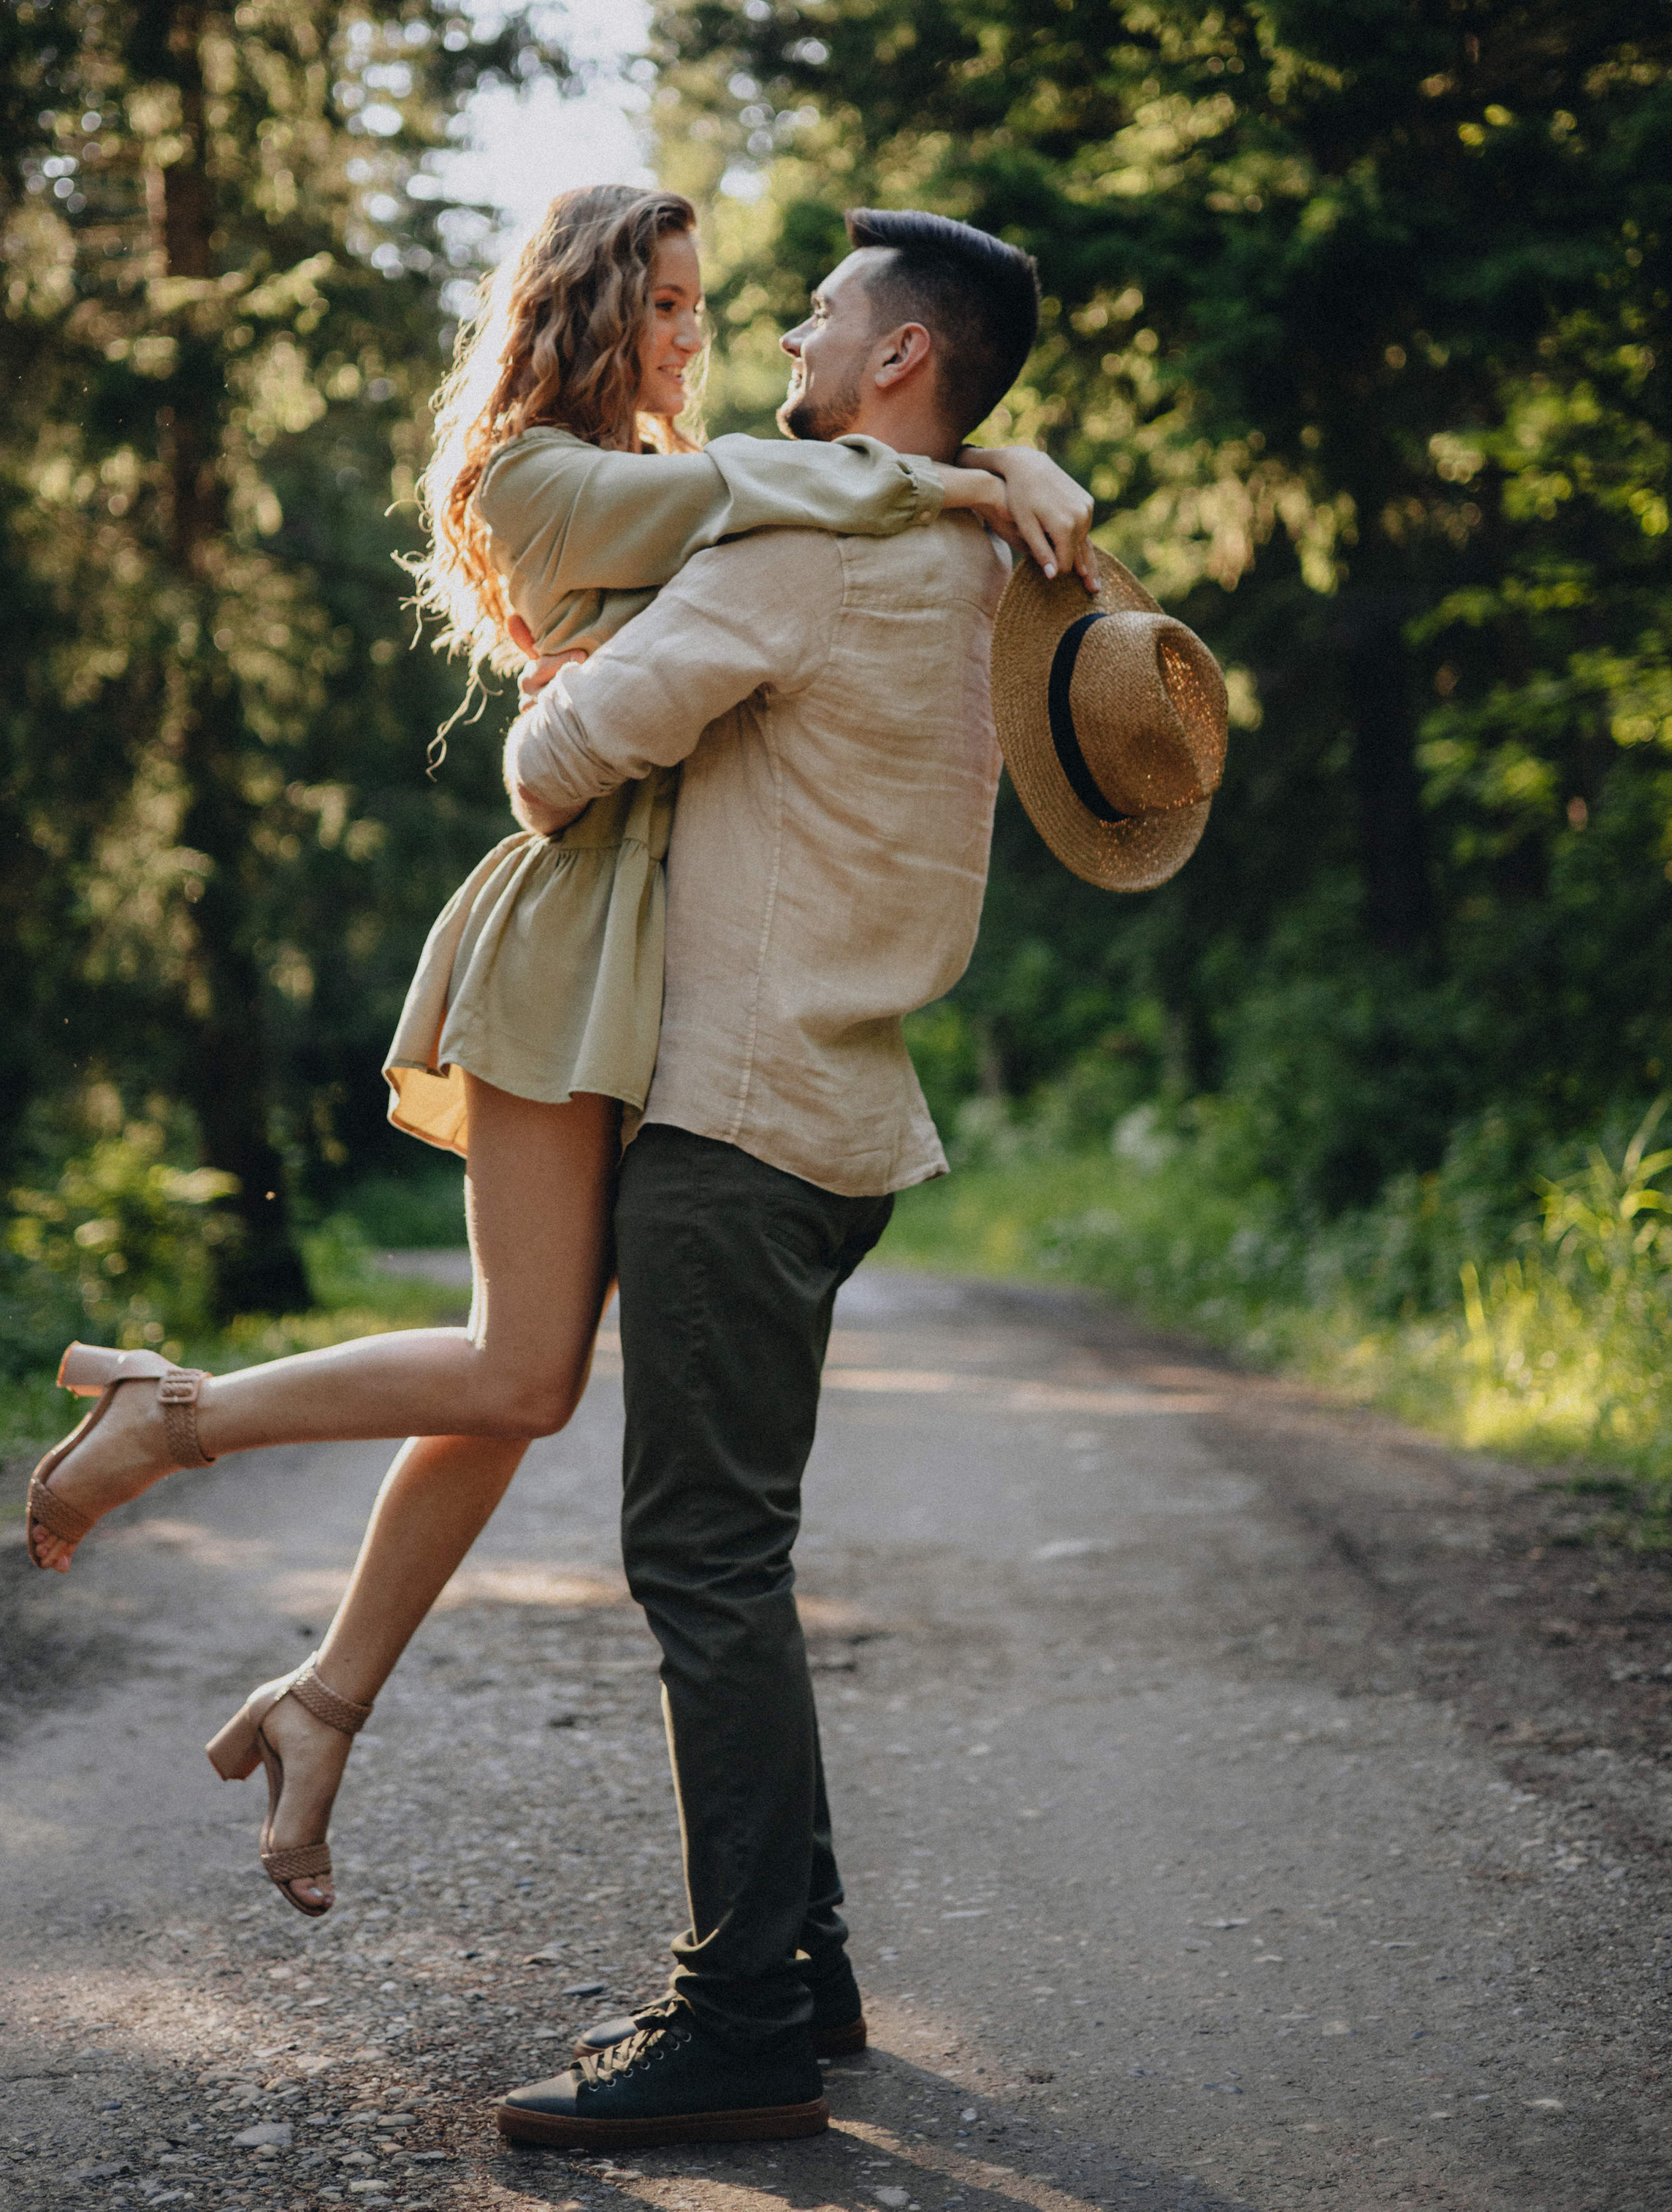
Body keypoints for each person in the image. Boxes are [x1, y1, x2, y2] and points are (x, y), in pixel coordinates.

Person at [23, 185, 1095, 1921]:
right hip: (567, 943)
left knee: (511, 1378)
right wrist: (994, 471)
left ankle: (323, 1698)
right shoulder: (548, 474)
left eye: (715, 304)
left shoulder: (731, 497)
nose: (714, 337)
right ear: (593, 306)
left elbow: (814, 511)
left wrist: (998, 468)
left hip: (645, 964)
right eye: (672, 304)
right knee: (521, 1371)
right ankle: (180, 1418)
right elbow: (785, 494)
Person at [493, 207, 1046, 2150]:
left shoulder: (808, 537)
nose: (783, 341)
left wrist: (566, 691)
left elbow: (566, 762)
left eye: (817, 316)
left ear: (897, 361)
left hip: (734, 1119)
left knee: (701, 1563)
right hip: (844, 1119)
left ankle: (736, 2025)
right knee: (742, 1551)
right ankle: (801, 1967)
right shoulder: (973, 547)